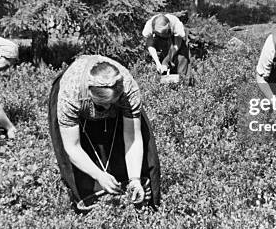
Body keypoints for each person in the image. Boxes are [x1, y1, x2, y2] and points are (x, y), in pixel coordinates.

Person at [48, 55, 161, 212]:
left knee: (142, 162)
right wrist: (98, 175)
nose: (108, 109)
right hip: (77, 101)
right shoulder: (70, 94)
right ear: (90, 94)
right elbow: (72, 147)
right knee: (83, 176)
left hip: (116, 101)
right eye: (102, 104)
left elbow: (132, 138)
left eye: (112, 103)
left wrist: (135, 179)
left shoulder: (129, 89)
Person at [142, 13, 191, 78]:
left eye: (163, 33)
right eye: (158, 33)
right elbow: (150, 45)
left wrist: (166, 61)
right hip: (161, 42)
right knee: (160, 68)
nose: (161, 35)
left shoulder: (176, 25)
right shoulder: (149, 26)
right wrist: (158, 63)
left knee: (181, 61)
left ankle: (182, 82)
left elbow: (176, 46)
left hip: (176, 41)